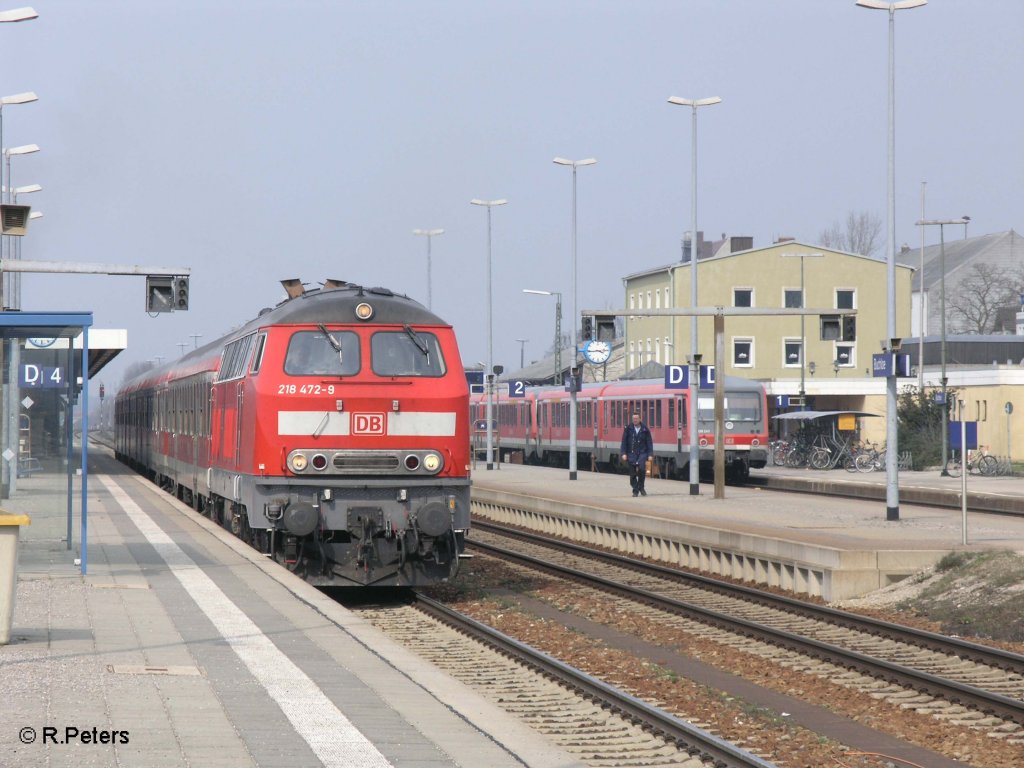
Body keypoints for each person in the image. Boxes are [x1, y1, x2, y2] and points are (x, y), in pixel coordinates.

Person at [620, 411, 653, 497]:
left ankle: (640, 488)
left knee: (642, 470)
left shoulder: (645, 429)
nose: (635, 420)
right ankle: (636, 488)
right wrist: (623, 453)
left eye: (636, 418)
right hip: (631, 454)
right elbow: (624, 442)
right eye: (633, 419)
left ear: (640, 419)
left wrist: (650, 454)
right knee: (632, 474)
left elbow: (649, 442)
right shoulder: (628, 429)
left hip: (642, 453)